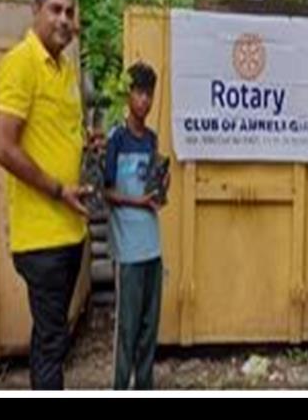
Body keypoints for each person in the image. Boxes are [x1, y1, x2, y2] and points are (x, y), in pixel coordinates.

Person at [0, 0, 89, 389]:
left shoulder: (65, 69)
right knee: (52, 343)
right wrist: (57, 189)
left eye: (70, 12)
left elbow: (56, 131)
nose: (64, 19)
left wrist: (85, 140)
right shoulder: (21, 63)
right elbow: (3, 147)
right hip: (41, 238)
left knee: (51, 338)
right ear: (35, 10)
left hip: (70, 230)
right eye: (55, 10)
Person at [104, 62, 169, 390]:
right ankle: (119, 387)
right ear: (128, 94)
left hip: (152, 247)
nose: (144, 100)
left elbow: (155, 195)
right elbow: (106, 192)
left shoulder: (152, 140)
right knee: (127, 329)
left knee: (148, 328)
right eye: (139, 92)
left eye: (149, 94)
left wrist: (162, 187)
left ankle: (144, 386)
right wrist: (137, 202)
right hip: (127, 251)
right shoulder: (116, 138)